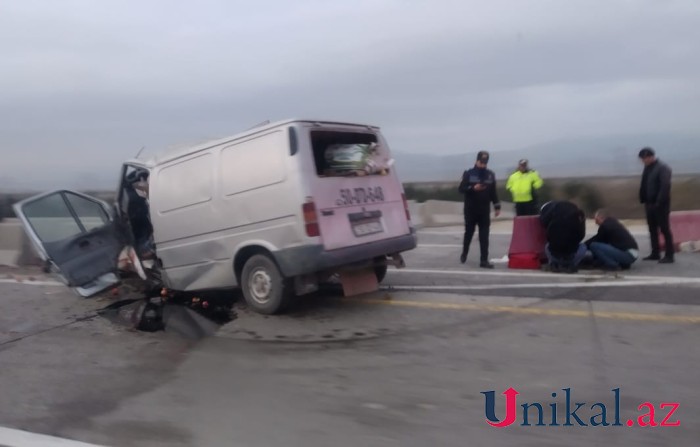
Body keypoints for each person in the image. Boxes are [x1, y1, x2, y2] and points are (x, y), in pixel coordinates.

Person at [458, 150, 501, 269]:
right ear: (477, 161)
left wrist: (497, 206)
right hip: (471, 210)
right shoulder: (468, 173)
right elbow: (461, 189)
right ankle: (464, 252)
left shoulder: (490, 175)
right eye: (481, 162)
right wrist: (473, 188)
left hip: (484, 211)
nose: (483, 164)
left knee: (484, 236)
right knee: (469, 233)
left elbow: (493, 192)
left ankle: (484, 260)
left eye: (485, 162)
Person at [638, 147, 674, 263]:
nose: (644, 161)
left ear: (651, 157)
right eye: (642, 159)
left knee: (664, 229)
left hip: (660, 205)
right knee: (652, 229)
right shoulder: (648, 168)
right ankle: (655, 252)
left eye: (645, 158)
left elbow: (665, 186)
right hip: (649, 204)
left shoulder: (663, 168)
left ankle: (669, 255)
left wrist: (659, 202)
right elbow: (645, 184)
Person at [539, 200, 587, 273]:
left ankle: (554, 264)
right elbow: (581, 236)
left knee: (547, 245)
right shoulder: (577, 221)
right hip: (571, 256)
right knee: (583, 246)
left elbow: (548, 236)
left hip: (554, 255)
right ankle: (571, 265)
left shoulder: (553, 222)